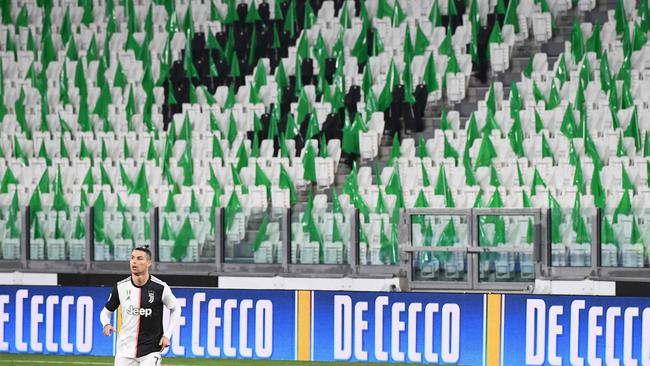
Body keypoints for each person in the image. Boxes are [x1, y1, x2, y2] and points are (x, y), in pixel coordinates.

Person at [100, 246, 181, 366]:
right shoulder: (120, 287)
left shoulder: (160, 288)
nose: (134, 261)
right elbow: (106, 312)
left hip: (150, 351)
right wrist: (106, 324)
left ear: (149, 263)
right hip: (124, 351)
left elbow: (176, 308)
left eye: (139, 258)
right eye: (132, 258)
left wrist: (167, 335)